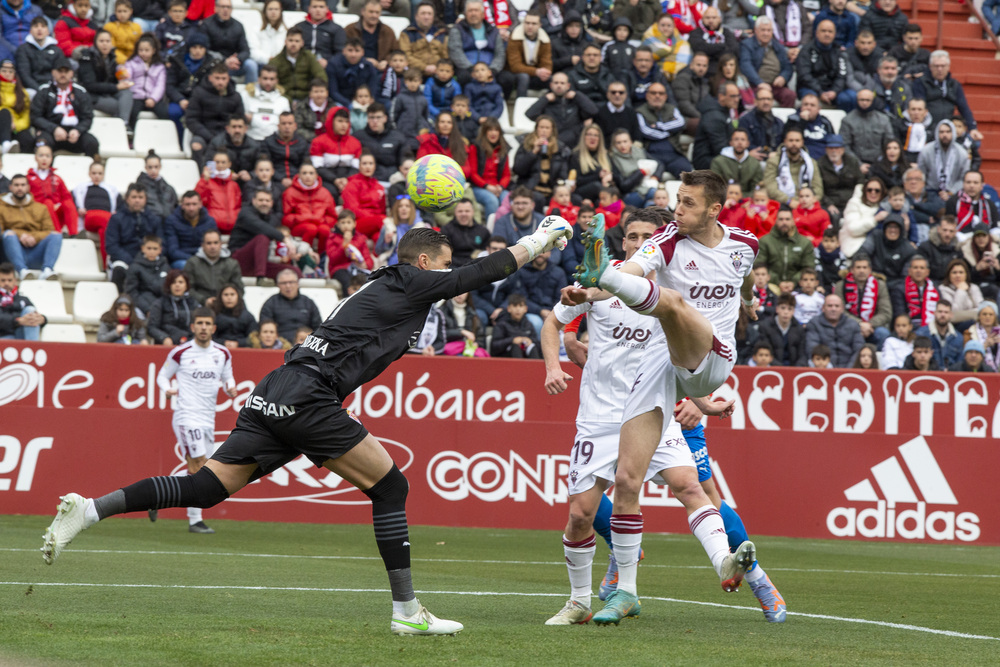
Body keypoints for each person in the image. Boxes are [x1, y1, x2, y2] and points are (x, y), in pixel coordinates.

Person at [39, 223, 573, 632]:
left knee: (206, 487)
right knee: (391, 485)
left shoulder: (382, 285)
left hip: (279, 386)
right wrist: (538, 240)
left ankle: (89, 509)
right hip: (309, 394)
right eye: (444, 265)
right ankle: (407, 611)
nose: (447, 276)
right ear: (426, 261)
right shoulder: (411, 279)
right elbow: (475, 275)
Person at [568, 193, 762, 624]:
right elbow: (567, 313)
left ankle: (747, 575)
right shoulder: (625, 274)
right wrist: (564, 345)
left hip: (676, 383)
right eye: (630, 237)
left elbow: (739, 277)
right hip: (621, 405)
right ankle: (608, 594)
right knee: (605, 496)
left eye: (644, 237)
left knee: (690, 486)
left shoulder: (691, 265)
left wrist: (701, 402)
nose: (637, 244)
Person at [153, 307, 238, 533]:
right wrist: (167, 388)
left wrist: (230, 388)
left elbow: (228, 378)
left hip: (208, 418)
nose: (203, 327)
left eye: (207, 323)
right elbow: (162, 375)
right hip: (186, 415)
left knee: (204, 471)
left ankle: (155, 492)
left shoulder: (222, 353)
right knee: (199, 465)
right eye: (199, 323)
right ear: (193, 327)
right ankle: (195, 521)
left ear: (213, 328)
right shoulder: (181, 352)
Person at [30, 57, 99, 157]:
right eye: (59, 71)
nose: (63, 74)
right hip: (50, 132)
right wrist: (54, 129)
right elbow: (35, 116)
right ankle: (43, 172)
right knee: (41, 144)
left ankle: (93, 171)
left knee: (92, 142)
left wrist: (78, 130)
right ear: (53, 72)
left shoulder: (80, 92)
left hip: (74, 133)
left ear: (72, 73)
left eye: (66, 71)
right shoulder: (44, 91)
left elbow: (88, 117)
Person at [0, 174, 61, 281]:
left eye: (23, 185)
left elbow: (49, 230)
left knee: (56, 235)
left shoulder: (40, 208)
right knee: (8, 234)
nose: (20, 188)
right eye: (16, 185)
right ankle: (22, 270)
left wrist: (33, 237)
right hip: (13, 252)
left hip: (36, 250)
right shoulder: (1, 208)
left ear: (28, 187)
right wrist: (20, 235)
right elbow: (2, 231)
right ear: (10, 187)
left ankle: (47, 270)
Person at [186, 64, 245, 166]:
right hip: (204, 134)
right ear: (210, 78)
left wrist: (227, 135)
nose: (220, 82)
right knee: (196, 145)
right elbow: (191, 120)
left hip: (227, 136)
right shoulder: (199, 93)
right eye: (217, 78)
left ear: (228, 79)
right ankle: (202, 178)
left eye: (223, 78)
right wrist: (210, 137)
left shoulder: (235, 96)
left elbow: (240, 119)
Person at [105, 183, 161, 290]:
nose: (137, 200)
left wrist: (146, 259)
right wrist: (132, 261)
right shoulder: (116, 219)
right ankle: (119, 302)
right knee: (119, 269)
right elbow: (112, 246)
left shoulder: (155, 219)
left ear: (145, 199)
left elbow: (162, 243)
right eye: (134, 197)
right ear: (127, 199)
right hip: (124, 260)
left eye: (140, 197)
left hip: (149, 259)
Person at [525, 71, 598, 149]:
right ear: (551, 85)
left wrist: (578, 96)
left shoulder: (575, 101)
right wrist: (545, 99)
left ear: (568, 85)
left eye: (562, 83)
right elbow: (530, 114)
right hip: (552, 144)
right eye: (556, 83)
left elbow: (593, 111)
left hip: (574, 144)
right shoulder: (546, 102)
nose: (559, 86)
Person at [229, 188, 288, 282]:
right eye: (261, 200)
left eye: (267, 200)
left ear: (271, 203)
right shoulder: (245, 213)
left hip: (261, 263)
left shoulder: (273, 218)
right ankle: (260, 278)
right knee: (262, 238)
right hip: (238, 261)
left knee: (293, 272)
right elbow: (261, 227)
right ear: (253, 201)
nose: (264, 203)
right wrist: (284, 238)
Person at [635, 81, 692, 178]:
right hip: (651, 155)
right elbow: (645, 131)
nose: (657, 96)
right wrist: (668, 131)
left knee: (688, 173)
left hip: (674, 154)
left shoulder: (672, 109)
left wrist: (658, 126)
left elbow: (681, 123)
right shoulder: (640, 111)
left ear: (665, 96)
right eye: (653, 93)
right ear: (647, 95)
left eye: (661, 93)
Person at [513, 116, 570, 210]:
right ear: (536, 129)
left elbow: (563, 174)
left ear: (552, 130)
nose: (544, 130)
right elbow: (518, 170)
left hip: (551, 190)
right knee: (539, 199)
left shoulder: (559, 148)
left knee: (574, 199)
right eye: (541, 127)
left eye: (547, 128)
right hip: (530, 189)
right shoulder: (526, 145)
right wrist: (533, 152)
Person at [834, 253, 891, 347]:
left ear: (870, 270)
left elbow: (886, 313)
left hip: (873, 327)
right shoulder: (841, 285)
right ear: (852, 270)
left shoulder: (880, 285)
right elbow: (840, 311)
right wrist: (859, 324)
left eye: (864, 267)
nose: (861, 271)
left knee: (883, 333)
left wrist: (869, 325)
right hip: (850, 326)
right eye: (858, 267)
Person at [76, 30, 132, 126]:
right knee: (119, 106)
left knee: (126, 93)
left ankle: (124, 124)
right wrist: (116, 87)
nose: (105, 44)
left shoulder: (112, 57)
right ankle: (122, 127)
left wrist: (120, 75)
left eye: (107, 41)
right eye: (101, 41)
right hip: (91, 96)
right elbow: (90, 85)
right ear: (95, 43)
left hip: (107, 92)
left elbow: (112, 80)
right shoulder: (87, 58)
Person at [796, 19, 854, 112]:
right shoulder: (806, 50)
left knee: (851, 97)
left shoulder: (839, 51)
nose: (827, 34)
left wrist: (834, 91)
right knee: (810, 101)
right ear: (817, 33)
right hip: (810, 88)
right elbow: (804, 75)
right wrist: (820, 92)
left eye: (830, 31)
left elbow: (841, 75)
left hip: (832, 89)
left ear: (834, 34)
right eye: (823, 31)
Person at [740, 16, 795, 108]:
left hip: (776, 86)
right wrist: (759, 83)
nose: (766, 33)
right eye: (763, 30)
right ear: (756, 30)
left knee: (790, 95)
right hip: (755, 86)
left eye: (769, 30)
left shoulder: (778, 46)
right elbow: (746, 65)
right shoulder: (746, 45)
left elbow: (788, 66)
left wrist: (783, 77)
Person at [762, 127, 823, 207]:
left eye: (797, 140)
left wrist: (811, 200)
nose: (794, 143)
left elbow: (818, 188)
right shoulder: (774, 161)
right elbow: (770, 187)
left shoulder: (811, 163)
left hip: (807, 203)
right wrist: (788, 201)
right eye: (791, 140)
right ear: (785, 142)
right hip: (782, 203)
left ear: (802, 142)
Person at [282, 162, 337, 250]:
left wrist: (324, 220)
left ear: (316, 175)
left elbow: (333, 216)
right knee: (311, 228)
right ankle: (305, 256)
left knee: (325, 230)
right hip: (299, 226)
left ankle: (322, 257)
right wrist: (300, 218)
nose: (308, 176)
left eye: (311, 173)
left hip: (320, 223)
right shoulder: (290, 192)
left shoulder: (325, 192)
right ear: (299, 175)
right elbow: (286, 217)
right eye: (304, 173)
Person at [71, 159, 119, 260]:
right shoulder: (81, 187)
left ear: (104, 174)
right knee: (107, 227)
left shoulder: (111, 189)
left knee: (104, 231)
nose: (97, 176)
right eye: (94, 173)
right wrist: (79, 208)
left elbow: (120, 205)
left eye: (100, 173)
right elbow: (71, 200)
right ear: (89, 173)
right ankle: (110, 261)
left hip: (106, 217)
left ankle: (105, 263)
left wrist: (116, 212)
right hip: (90, 216)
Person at [28, 142, 77, 236]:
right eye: (41, 155)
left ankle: (73, 233)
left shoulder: (57, 178)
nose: (44, 158)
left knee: (68, 203)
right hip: (37, 213)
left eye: (47, 156)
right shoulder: (29, 178)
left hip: (56, 212)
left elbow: (66, 196)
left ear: (51, 158)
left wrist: (58, 204)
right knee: (48, 203)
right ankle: (57, 233)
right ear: (35, 158)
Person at [804, 293, 865, 366]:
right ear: (823, 308)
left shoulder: (853, 324)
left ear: (842, 309)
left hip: (850, 370)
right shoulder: (814, 324)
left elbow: (859, 349)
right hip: (823, 369)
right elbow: (812, 348)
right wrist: (828, 368)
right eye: (830, 306)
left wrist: (850, 369)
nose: (833, 309)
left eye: (837, 306)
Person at [202, 0, 256, 84]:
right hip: (214, 64)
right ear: (216, 8)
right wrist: (224, 60)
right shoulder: (206, 24)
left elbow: (245, 50)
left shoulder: (238, 26)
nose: (225, 10)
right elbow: (204, 50)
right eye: (223, 7)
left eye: (228, 7)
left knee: (251, 65)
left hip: (234, 65)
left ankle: (251, 93)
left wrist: (237, 59)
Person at [841, 89, 895, 170]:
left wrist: (880, 163)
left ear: (873, 101)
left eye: (868, 100)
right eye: (861, 100)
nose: (864, 103)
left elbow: (889, 143)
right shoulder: (847, 120)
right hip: (854, 165)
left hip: (880, 163)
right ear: (857, 100)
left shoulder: (883, 119)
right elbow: (845, 146)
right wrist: (859, 165)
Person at [183, 229, 241, 305]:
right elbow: (188, 288)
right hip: (198, 304)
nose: (212, 246)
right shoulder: (192, 263)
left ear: (221, 244)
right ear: (202, 245)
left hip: (226, 305)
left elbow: (239, 288)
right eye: (209, 243)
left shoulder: (232, 264)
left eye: (215, 243)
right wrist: (203, 300)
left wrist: (224, 301)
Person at [269, 26, 326, 103]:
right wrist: (286, 98)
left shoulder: (309, 57)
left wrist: (312, 94)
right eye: (290, 40)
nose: (293, 44)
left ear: (302, 43)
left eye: (297, 41)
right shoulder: (276, 61)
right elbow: (271, 83)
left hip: (307, 98)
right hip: (283, 98)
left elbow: (321, 76)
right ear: (285, 42)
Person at [691, 81, 740, 171]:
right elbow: (720, 148)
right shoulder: (714, 117)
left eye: (738, 96)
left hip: (717, 157)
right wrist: (741, 154)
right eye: (733, 96)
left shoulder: (723, 111)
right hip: (706, 161)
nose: (736, 99)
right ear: (721, 97)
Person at [346, 0, 401, 75]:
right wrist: (363, 60)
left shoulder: (388, 31)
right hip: (355, 69)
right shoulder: (350, 30)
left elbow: (396, 52)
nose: (374, 15)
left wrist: (387, 62)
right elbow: (342, 52)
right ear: (363, 12)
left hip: (382, 71)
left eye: (377, 12)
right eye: (371, 12)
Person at [147, 269, 201, 345]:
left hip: (190, 343)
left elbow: (199, 325)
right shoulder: (160, 303)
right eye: (173, 282)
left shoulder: (193, 303)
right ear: (169, 285)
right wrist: (164, 338)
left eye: (181, 282)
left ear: (186, 285)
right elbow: (152, 327)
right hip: (167, 343)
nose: (177, 285)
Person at [194, 150, 241, 234]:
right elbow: (198, 199)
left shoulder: (234, 184)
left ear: (229, 164)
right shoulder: (206, 182)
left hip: (234, 228)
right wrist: (204, 180)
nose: (220, 165)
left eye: (223, 162)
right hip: (213, 228)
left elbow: (238, 206)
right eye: (217, 162)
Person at [507, 10, 552, 97]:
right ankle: (520, 107)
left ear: (540, 25)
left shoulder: (545, 39)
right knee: (524, 77)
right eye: (527, 23)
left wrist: (545, 72)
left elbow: (547, 63)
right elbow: (515, 66)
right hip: (515, 75)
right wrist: (536, 71)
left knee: (553, 80)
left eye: (534, 24)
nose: (530, 26)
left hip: (535, 75)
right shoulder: (515, 37)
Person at [839, 177, 886, 258]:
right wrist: (874, 219)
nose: (873, 193)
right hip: (855, 247)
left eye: (877, 190)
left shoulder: (885, 206)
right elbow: (853, 229)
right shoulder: (854, 203)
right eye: (869, 190)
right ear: (864, 191)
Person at [399, 2, 448, 79]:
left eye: (429, 14)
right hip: (414, 73)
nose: (426, 17)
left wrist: (438, 68)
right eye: (423, 13)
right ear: (416, 16)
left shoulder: (440, 33)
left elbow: (445, 56)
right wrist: (425, 67)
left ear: (433, 17)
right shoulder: (407, 33)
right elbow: (405, 56)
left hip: (437, 73)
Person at [206, 115, 261, 184]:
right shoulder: (216, 143)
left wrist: (251, 174)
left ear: (246, 129)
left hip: (248, 183)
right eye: (234, 127)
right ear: (227, 129)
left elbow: (261, 165)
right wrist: (227, 174)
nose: (237, 130)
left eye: (240, 127)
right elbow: (208, 166)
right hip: (222, 182)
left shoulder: (255, 146)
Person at [241, 65, 289, 142]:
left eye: (272, 79)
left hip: (275, 142)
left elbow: (286, 123)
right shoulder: (246, 96)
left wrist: (253, 118)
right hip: (251, 140)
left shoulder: (283, 101)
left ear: (277, 81)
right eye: (265, 78)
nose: (268, 82)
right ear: (259, 79)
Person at [123, 234, 167, 316]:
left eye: (155, 249)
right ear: (143, 248)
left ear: (160, 250)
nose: (152, 252)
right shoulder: (134, 267)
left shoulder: (165, 266)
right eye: (149, 248)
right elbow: (131, 292)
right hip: (142, 306)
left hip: (162, 305)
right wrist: (147, 309)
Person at [15, 16, 58, 97]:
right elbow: (24, 75)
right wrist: (39, 89)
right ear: (30, 31)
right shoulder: (23, 49)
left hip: (52, 87)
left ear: (48, 31)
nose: (39, 29)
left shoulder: (56, 50)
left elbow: (60, 70)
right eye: (36, 26)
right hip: (32, 88)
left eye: (43, 26)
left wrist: (52, 88)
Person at [0, 260, 45, 339]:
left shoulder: (23, 299)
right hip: (3, 336)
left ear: (15, 281)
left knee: (30, 310)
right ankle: (32, 348)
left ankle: (32, 347)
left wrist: (43, 319)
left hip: (21, 336)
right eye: (3, 280)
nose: (6, 283)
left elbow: (34, 315)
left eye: (9, 280)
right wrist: (18, 321)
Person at [945, 170, 998, 236]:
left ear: (982, 185)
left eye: (975, 183)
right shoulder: (953, 202)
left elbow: (994, 227)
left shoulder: (989, 204)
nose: (972, 186)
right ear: (963, 184)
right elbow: (948, 226)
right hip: (959, 240)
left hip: (984, 240)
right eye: (968, 182)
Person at [758, 292, 806, 365]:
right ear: (777, 309)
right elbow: (765, 352)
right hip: (772, 368)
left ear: (794, 311)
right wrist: (781, 369)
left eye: (790, 309)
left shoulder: (799, 329)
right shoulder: (765, 326)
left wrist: (797, 368)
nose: (786, 312)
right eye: (783, 308)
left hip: (794, 370)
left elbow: (803, 354)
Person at [737, 84, 783, 161]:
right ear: (755, 101)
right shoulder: (745, 120)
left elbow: (782, 145)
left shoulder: (779, 123)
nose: (766, 102)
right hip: (751, 160)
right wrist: (748, 153)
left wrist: (777, 153)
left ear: (772, 102)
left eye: (768, 99)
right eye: (762, 99)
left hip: (774, 160)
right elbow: (741, 143)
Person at [915, 298, 963, 368]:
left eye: (946, 312)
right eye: (940, 311)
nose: (943, 315)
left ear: (951, 315)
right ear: (934, 313)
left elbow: (960, 363)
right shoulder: (921, 333)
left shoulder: (958, 338)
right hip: (929, 375)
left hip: (951, 376)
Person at [441, 198, 489, 267]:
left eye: (467, 211)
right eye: (460, 211)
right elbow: (444, 255)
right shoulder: (446, 230)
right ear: (455, 212)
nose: (463, 214)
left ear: (473, 212)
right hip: (454, 267)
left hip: (476, 267)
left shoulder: (483, 231)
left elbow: (487, 252)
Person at [936, 257, 982, 326]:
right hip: (953, 325)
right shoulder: (943, 289)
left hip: (974, 323)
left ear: (966, 274)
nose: (958, 275)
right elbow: (952, 313)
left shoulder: (973, 287)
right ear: (949, 275)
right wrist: (961, 291)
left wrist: (964, 314)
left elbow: (982, 310)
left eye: (961, 272)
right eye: (954, 272)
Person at [137, 150, 178, 222]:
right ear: (145, 167)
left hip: (168, 223)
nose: (153, 170)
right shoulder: (139, 188)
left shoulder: (169, 188)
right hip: (149, 224)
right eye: (150, 167)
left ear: (160, 167)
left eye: (156, 167)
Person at [211, 283, 256, 349]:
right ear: (220, 297)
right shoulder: (213, 316)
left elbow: (253, 338)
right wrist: (223, 343)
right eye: (226, 295)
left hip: (243, 351)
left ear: (238, 296)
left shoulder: (248, 316)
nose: (229, 297)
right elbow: (209, 337)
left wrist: (238, 343)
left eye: (232, 294)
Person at [104, 0, 141, 66]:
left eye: (125, 11)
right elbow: (112, 49)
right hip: (117, 62)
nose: (122, 14)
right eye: (119, 11)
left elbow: (140, 46)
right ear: (115, 12)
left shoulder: (137, 27)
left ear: (131, 11)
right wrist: (126, 61)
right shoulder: (109, 27)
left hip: (135, 60)